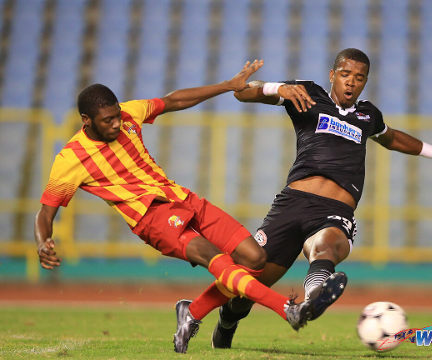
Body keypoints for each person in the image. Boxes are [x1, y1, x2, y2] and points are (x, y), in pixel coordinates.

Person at [34, 60, 344, 354]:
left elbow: (173, 101)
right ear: (86, 121)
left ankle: (191, 311)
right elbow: (46, 211)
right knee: (216, 258)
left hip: (181, 198)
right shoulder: (71, 158)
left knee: (254, 258)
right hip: (151, 216)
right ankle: (287, 309)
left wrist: (227, 85)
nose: (116, 123)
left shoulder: (128, 114)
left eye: (116, 115)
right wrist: (42, 240)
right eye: (107, 121)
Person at [211, 48, 432, 349]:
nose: (351, 82)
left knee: (327, 245)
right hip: (292, 204)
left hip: (335, 209)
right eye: (346, 75)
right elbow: (243, 94)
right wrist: (277, 88)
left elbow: (391, 138)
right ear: (332, 75)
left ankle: (314, 298)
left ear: (365, 82)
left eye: (359, 78)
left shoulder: (368, 115)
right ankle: (228, 320)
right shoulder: (306, 94)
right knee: (250, 287)